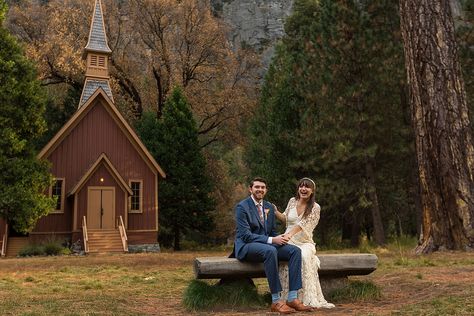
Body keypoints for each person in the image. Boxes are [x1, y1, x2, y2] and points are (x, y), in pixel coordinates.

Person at [234, 177, 313, 314]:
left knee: (294, 251)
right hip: (247, 246)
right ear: (250, 189)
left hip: (266, 245)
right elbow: (245, 235)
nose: (260, 189)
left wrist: (280, 238)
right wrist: (272, 240)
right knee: (270, 250)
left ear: (266, 190)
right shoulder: (242, 207)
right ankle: (276, 301)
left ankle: (292, 298)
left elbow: (272, 231)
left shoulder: (269, 207)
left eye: (262, 187)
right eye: (257, 187)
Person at [275, 177, 335, 309]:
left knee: (303, 255)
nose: (303, 189)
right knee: (284, 255)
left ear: (312, 191)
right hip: (288, 239)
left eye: (307, 187)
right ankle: (286, 297)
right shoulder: (292, 201)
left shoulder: (315, 207)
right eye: (301, 186)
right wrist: (275, 212)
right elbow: (286, 219)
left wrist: (290, 234)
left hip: (304, 242)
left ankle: (302, 297)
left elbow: (303, 225)